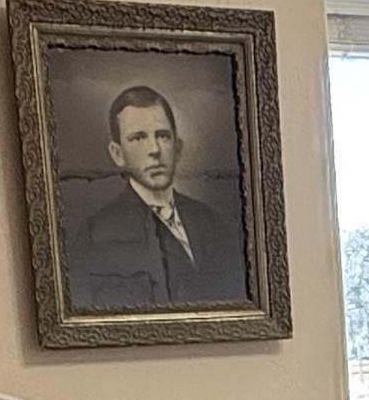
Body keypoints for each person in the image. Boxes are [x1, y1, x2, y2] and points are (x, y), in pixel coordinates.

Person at [66, 84, 248, 313]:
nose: (154, 149)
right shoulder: (95, 235)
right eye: (138, 138)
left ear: (178, 147)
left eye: (162, 136)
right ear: (117, 154)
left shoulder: (214, 224)